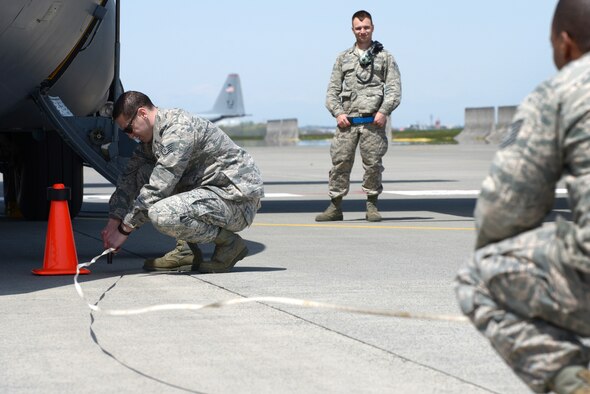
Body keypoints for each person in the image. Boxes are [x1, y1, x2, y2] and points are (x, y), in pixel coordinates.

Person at [455, 0, 590, 392]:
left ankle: (575, 383)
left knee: (479, 277)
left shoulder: (563, 90)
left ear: (565, 44)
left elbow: (504, 209)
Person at [101, 91, 264, 273]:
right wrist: (113, 220)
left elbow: (158, 187)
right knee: (142, 172)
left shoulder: (177, 130)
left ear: (142, 114)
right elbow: (129, 177)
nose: (130, 136)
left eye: (129, 129)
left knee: (160, 214)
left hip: (236, 200)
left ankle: (229, 243)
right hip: (211, 192)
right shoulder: (152, 136)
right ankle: (185, 251)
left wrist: (124, 230)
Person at [316, 10, 401, 223]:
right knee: (339, 164)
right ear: (352, 30)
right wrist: (338, 113)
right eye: (358, 28)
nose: (362, 31)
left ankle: (372, 205)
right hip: (348, 123)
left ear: (372, 28)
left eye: (366, 27)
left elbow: (394, 89)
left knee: (373, 165)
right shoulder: (343, 58)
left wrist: (383, 112)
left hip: (373, 123)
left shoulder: (385, 57)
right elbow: (331, 92)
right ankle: (335, 207)